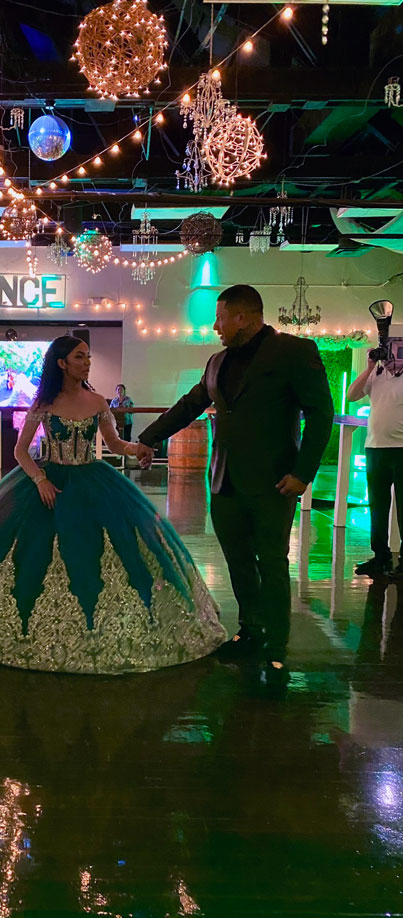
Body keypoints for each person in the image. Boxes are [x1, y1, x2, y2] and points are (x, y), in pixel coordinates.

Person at [0, 335, 226, 673]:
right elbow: (21, 451)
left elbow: (114, 443)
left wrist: (137, 449)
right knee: (33, 554)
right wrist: (40, 480)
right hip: (46, 481)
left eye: (88, 356)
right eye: (80, 357)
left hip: (92, 480)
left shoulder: (97, 401)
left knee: (100, 552)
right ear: (62, 363)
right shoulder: (43, 403)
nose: (87, 362)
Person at [136, 284, 334, 680]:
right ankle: (251, 632)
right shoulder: (216, 362)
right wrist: (148, 438)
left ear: (243, 317)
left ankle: (277, 646)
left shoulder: (294, 352)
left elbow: (321, 413)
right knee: (239, 563)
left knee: (273, 562)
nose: (215, 326)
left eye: (221, 318)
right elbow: (190, 405)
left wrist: (303, 474)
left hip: (275, 483)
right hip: (224, 483)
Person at [347, 348, 403, 578]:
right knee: (377, 507)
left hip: (401, 450)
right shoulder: (376, 374)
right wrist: (370, 367)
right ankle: (380, 556)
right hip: (376, 448)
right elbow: (352, 395)